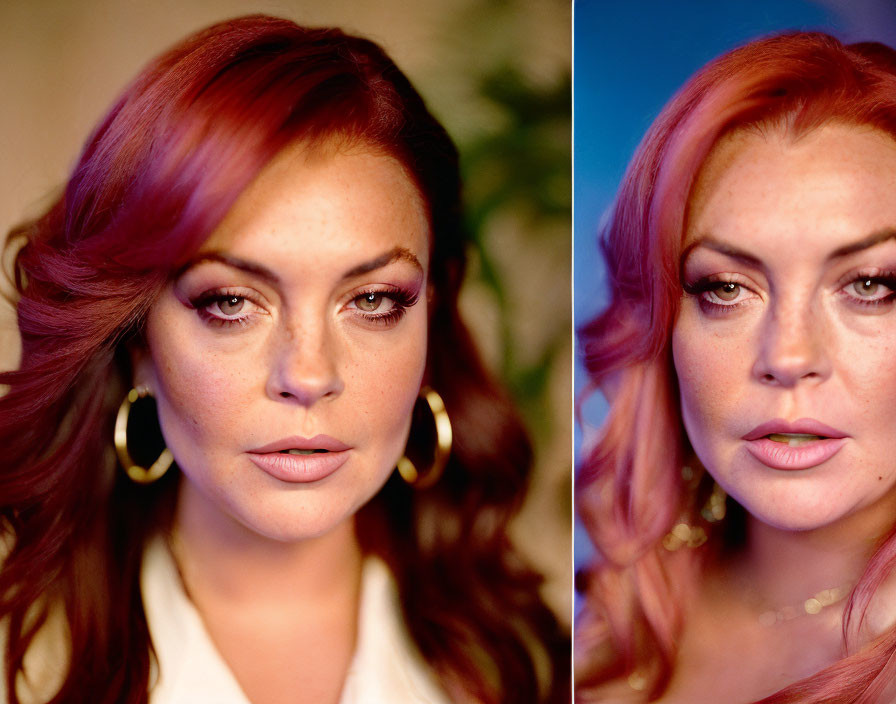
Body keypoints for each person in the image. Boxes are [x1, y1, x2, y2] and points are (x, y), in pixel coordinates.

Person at [0, 15, 568, 704]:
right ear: (137, 338)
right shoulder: (20, 666)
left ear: (433, 316)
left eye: (374, 300)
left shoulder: (530, 663)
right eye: (231, 302)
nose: (307, 375)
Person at [576, 31, 896, 703]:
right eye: (726, 288)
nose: (787, 357)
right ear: (662, 326)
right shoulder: (609, 627)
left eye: (869, 284)